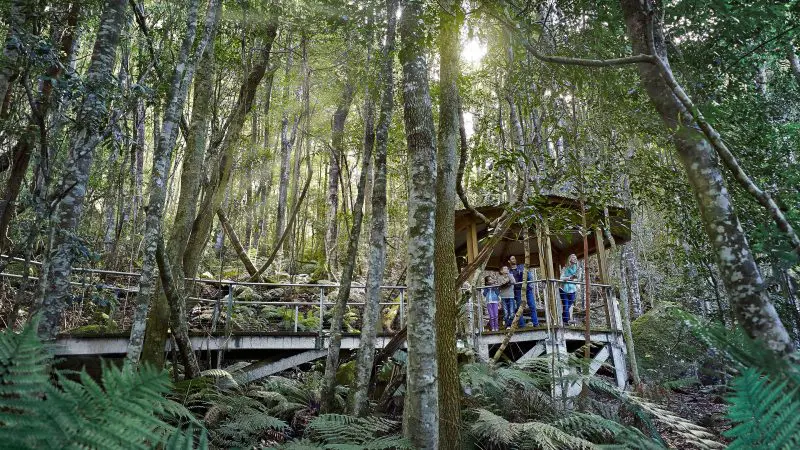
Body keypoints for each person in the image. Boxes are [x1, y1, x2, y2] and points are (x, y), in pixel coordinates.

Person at [559, 254, 579, 325]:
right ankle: (567, 321)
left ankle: (563, 318)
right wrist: (569, 278)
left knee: (568, 305)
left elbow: (577, 279)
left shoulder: (576, 269)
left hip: (572, 289)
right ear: (570, 259)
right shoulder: (565, 268)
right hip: (563, 289)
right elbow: (561, 278)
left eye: (575, 258)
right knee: (566, 305)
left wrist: (575, 280)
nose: (575, 259)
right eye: (573, 258)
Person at [508, 256, 526, 327]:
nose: (514, 260)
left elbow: (526, 275)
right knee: (511, 308)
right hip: (511, 291)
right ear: (509, 261)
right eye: (512, 259)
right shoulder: (508, 271)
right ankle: (510, 325)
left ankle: (522, 325)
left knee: (519, 307)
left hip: (519, 289)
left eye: (514, 258)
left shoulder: (521, 267)